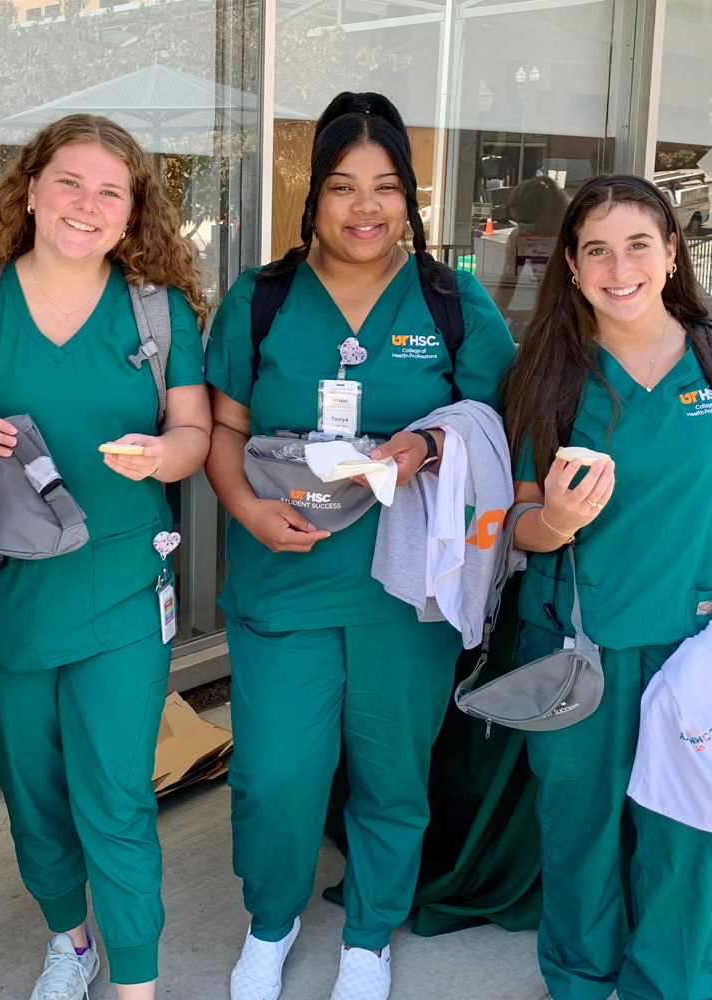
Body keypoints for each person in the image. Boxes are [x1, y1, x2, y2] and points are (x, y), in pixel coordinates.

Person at [203, 91, 516, 1000]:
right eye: (343, 186)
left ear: (408, 199)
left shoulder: (450, 301)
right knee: (273, 775)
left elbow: (499, 422)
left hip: (405, 588)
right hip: (283, 577)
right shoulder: (262, 299)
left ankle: (370, 935)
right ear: (314, 197)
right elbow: (222, 430)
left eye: (385, 187)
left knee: (390, 772)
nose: (364, 207)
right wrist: (247, 512)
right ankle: (272, 921)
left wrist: (428, 443)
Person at [0, 114, 211, 1000]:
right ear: (32, 188)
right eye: (70, 183)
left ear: (132, 212)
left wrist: (167, 456)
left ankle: (137, 982)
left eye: (110, 191)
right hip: (4, 591)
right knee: (34, 793)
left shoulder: (155, 311)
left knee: (116, 796)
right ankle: (71, 939)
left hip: (121, 583)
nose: (87, 205)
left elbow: (193, 430)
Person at [503, 173, 712, 1000]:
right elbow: (518, 528)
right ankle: (581, 983)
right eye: (596, 248)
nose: (618, 266)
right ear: (570, 261)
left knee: (679, 840)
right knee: (578, 836)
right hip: (574, 647)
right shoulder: (550, 371)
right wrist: (555, 519)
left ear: (671, 253)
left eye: (639, 244)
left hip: (689, 646)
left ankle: (667, 988)